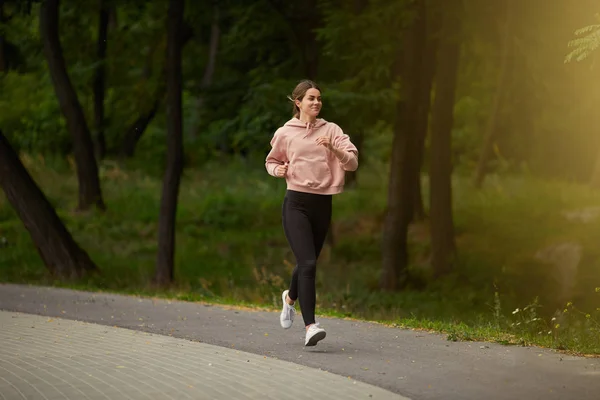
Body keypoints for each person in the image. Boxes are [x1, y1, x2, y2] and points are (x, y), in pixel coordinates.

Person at [265, 80, 359, 346]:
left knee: (307, 262)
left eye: (319, 98)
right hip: (295, 203)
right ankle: (310, 326)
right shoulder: (286, 132)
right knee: (308, 264)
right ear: (298, 102)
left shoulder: (332, 130)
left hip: (322, 204)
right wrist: (277, 171)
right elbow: (271, 161)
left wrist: (333, 148)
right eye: (310, 98)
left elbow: (352, 163)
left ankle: (289, 299)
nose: (316, 102)